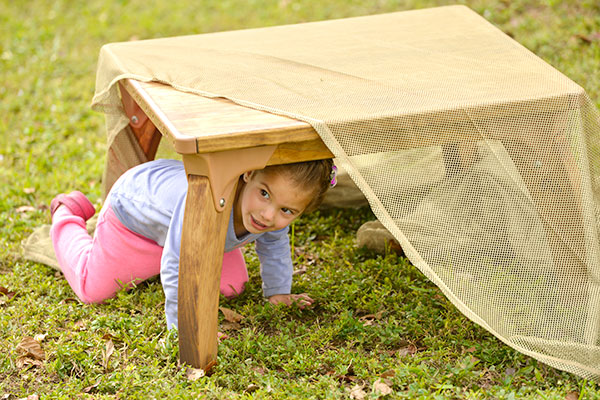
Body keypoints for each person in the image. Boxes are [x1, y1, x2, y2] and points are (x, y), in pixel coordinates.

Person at [49, 158, 336, 330]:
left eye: (287, 211)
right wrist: (184, 327)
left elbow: (273, 243)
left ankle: (158, 259)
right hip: (134, 219)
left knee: (231, 287)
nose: (268, 214)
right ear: (248, 173)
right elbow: (178, 263)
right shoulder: (205, 202)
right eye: (264, 194)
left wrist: (278, 292)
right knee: (92, 289)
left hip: (192, 231)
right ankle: (67, 214)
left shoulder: (268, 212)